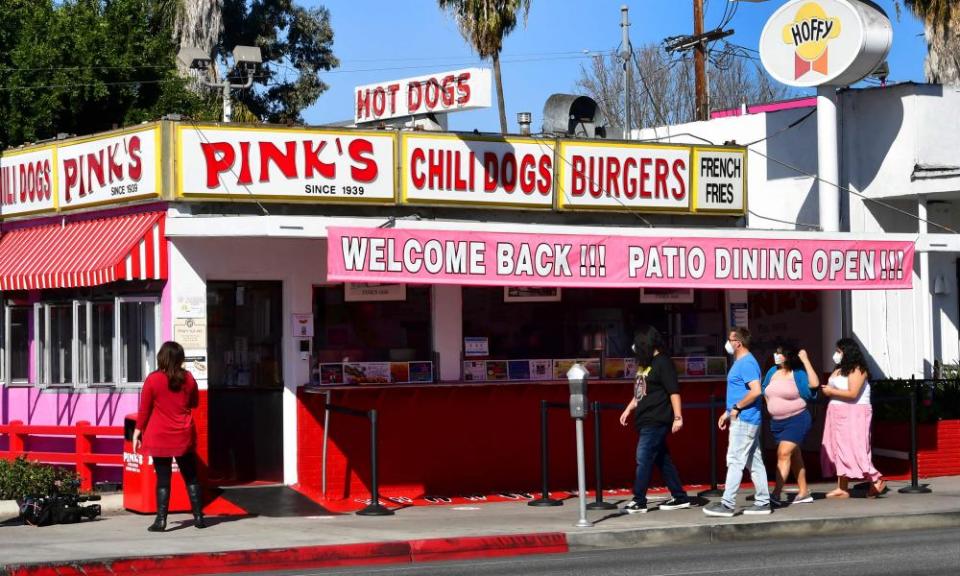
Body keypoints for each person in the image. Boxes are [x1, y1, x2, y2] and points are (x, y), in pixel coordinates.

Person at [132, 341, 206, 532]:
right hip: (183, 434)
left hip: (159, 436)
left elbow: (144, 410)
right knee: (191, 477)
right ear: (180, 359)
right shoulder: (188, 379)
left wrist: (137, 431)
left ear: (161, 357)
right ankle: (198, 517)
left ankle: (161, 520)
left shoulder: (153, 379)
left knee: (163, 479)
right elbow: (195, 402)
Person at [618, 326, 690, 513]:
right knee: (661, 459)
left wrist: (678, 417)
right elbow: (639, 393)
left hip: (657, 419)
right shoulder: (645, 363)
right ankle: (680, 496)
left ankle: (639, 500)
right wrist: (628, 409)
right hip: (644, 418)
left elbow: (674, 392)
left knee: (643, 456)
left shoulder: (663, 362)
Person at [704, 327, 771, 517]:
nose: (728, 343)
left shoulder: (747, 363)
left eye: (730, 339)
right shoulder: (742, 362)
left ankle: (727, 504)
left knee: (735, 460)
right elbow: (741, 391)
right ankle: (763, 501)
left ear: (738, 343)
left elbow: (756, 390)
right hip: (746, 418)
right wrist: (727, 413)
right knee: (754, 462)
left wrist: (737, 407)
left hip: (745, 419)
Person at [820, 338, 886, 498]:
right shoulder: (838, 369)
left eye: (839, 351)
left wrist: (830, 392)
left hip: (854, 414)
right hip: (836, 414)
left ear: (847, 352)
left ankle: (875, 479)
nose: (836, 354)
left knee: (856, 448)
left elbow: (852, 393)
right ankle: (842, 487)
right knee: (837, 448)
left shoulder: (858, 369)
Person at [761, 346, 820, 506]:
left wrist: (806, 360)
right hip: (777, 422)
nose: (776, 355)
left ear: (787, 356)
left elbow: (814, 384)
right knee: (795, 456)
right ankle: (804, 492)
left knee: (783, 453)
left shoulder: (798, 372)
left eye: (779, 353)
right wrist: (770, 406)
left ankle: (776, 493)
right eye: (776, 352)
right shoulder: (772, 371)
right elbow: (764, 389)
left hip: (797, 419)